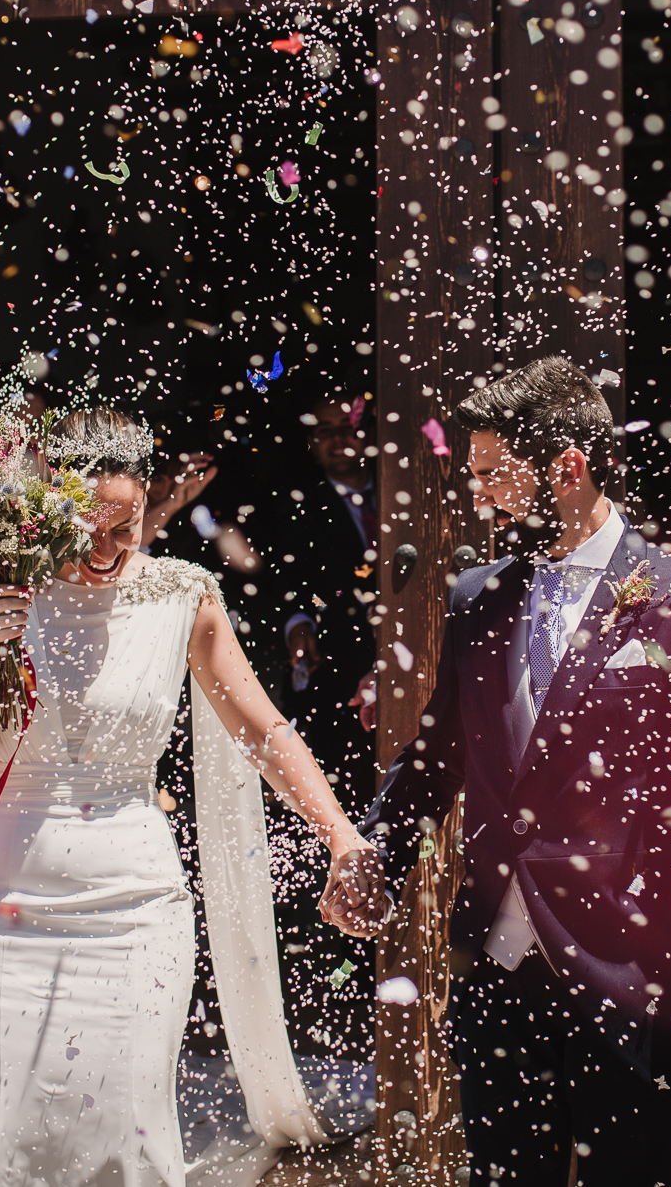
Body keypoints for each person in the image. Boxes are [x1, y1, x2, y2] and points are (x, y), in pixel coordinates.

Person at [0, 406, 392, 1187]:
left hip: (133, 911)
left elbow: (267, 733)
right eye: (91, 527)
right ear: (47, 508)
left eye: (127, 526)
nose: (110, 550)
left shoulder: (183, 595)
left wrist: (342, 836)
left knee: (116, 1142)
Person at [329, 357, 671, 1187]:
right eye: (476, 476)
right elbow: (439, 756)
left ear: (567, 466)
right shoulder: (476, 597)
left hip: (633, 976)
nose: (484, 497)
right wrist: (375, 856)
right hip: (497, 971)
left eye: (497, 474)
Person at [261, 390, 380, 1057]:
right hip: (335, 681)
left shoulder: (400, 493)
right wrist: (298, 627)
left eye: (348, 429)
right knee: (338, 814)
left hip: (402, 674)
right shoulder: (301, 504)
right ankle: (337, 981)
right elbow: (287, 581)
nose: (339, 440)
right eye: (326, 430)